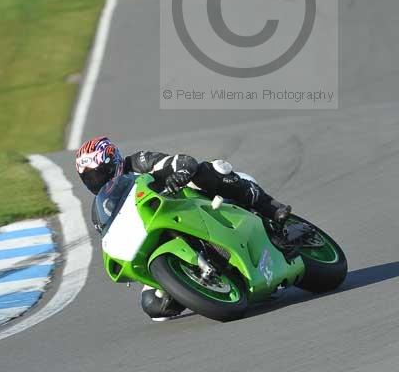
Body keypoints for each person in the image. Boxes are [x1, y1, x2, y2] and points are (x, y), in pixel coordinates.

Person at [75, 136, 292, 321]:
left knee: (210, 171)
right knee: (154, 305)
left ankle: (271, 208)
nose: (96, 182)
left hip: (188, 203)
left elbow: (182, 161)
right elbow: (111, 235)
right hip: (157, 234)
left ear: (114, 162)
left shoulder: (139, 162)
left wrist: (179, 174)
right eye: (89, 179)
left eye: (100, 173)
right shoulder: (102, 207)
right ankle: (201, 284)